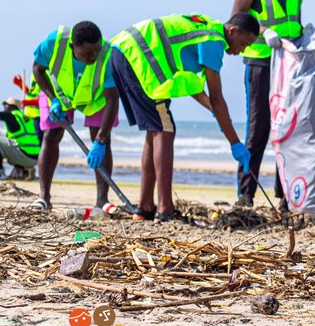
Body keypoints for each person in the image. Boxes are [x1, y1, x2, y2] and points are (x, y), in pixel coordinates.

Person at [111, 13, 259, 221]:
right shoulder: (213, 40)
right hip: (139, 55)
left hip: (124, 50)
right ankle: (165, 209)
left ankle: (144, 208)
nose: (241, 50)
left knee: (156, 129)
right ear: (232, 31)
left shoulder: (206, 30)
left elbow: (197, 91)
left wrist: (218, 115)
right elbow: (216, 97)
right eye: (243, 43)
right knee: (165, 129)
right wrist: (235, 142)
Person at [229, 0, 305, 207]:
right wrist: (264, 30)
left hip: (288, 66)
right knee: (258, 128)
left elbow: (295, 24)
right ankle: (245, 195)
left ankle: (284, 195)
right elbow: (236, 19)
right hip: (261, 62)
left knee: (286, 127)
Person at [30, 22, 122, 211]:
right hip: (58, 93)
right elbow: (38, 69)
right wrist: (53, 99)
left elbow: (112, 99)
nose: (94, 56)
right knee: (51, 137)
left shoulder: (108, 54)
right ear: (73, 46)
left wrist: (101, 141)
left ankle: (102, 200)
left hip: (94, 96)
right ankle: (44, 198)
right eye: (88, 54)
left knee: (103, 140)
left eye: (96, 51)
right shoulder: (53, 43)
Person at [0, 97, 39, 180]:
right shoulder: (26, 117)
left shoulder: (11, 115)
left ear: (12, 106)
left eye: (5, 105)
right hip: (36, 158)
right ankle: (25, 172)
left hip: (24, 156)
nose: (4, 107)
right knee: (13, 144)